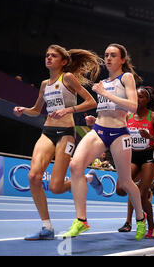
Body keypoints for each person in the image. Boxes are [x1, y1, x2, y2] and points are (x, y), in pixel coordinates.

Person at [13, 44, 102, 240]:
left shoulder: (68, 78)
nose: (49, 58)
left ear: (63, 62)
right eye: (47, 55)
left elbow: (91, 103)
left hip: (66, 133)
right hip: (48, 131)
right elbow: (37, 110)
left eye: (53, 56)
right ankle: (47, 227)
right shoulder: (45, 84)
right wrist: (23, 109)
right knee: (33, 177)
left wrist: (68, 110)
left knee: (55, 187)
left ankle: (88, 179)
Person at [63, 43, 147, 240]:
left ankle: (141, 219)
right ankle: (81, 221)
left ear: (122, 60)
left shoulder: (126, 78)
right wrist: (95, 117)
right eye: (106, 55)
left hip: (120, 134)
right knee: (75, 165)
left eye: (113, 55)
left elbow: (133, 107)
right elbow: (107, 106)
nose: (108, 58)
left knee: (126, 182)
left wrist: (105, 94)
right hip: (99, 130)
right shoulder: (103, 82)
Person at [116, 86, 154, 239]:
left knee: (143, 195)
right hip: (132, 157)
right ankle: (143, 185)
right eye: (136, 96)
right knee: (120, 189)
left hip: (148, 157)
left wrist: (150, 137)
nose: (137, 99)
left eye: (141, 97)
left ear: (148, 100)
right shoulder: (127, 116)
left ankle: (151, 226)